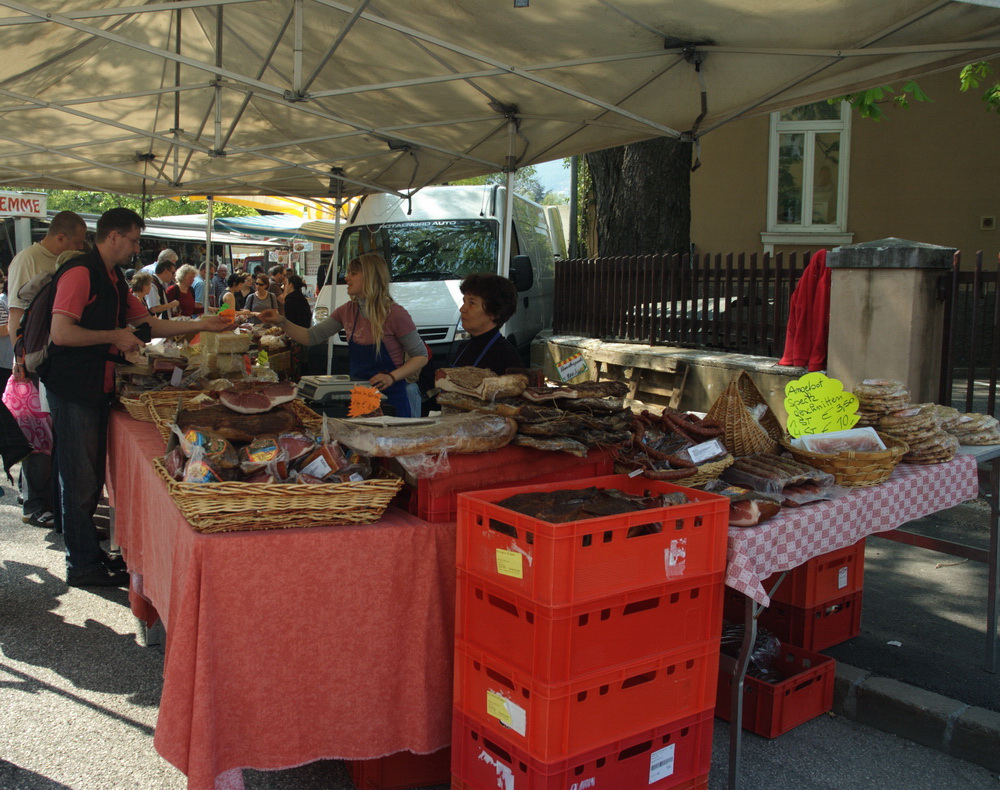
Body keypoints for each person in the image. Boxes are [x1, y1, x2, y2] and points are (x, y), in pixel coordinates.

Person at [43, 207, 231, 587]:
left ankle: (89, 556)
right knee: (80, 479)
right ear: (113, 236)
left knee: (91, 478)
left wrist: (202, 324)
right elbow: (61, 333)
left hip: (96, 386)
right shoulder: (81, 272)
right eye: (132, 239)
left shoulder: (112, 276)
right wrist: (113, 336)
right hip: (73, 387)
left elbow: (148, 323)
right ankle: (80, 565)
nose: (135, 247)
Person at [259, 252, 428, 416]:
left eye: (353, 273)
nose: (346, 278)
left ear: (370, 277)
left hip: (392, 400)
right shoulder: (347, 311)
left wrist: (392, 377)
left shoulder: (395, 314)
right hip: (360, 401)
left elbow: (420, 356)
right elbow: (311, 337)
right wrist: (280, 321)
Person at [6, 211, 87, 531]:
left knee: (45, 433)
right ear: (61, 238)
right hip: (35, 360)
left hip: (53, 360)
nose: (82, 248)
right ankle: (35, 503)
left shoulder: (63, 260)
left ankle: (42, 496)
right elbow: (16, 315)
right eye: (78, 242)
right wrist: (20, 359)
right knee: (37, 434)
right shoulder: (28, 259)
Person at [452, 273, 523, 375]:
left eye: (472, 303)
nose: (462, 309)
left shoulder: (507, 357)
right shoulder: (463, 348)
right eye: (464, 302)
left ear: (494, 313)